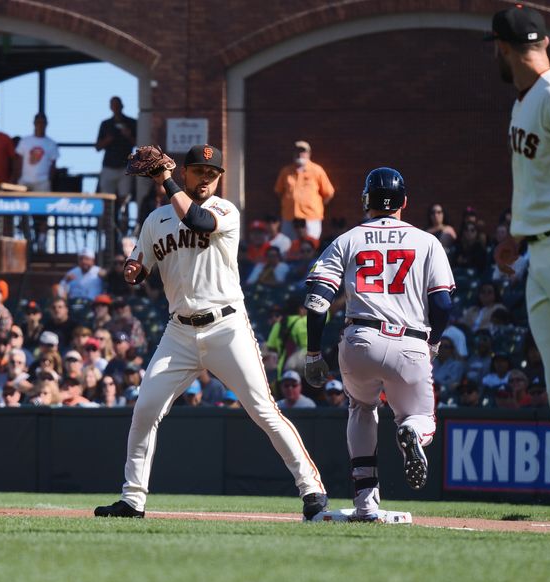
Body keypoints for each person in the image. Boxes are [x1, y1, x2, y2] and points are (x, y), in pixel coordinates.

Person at [94, 144, 327, 520]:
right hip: (178, 332)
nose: (205, 178)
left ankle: (312, 489)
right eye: (198, 170)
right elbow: (139, 264)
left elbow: (197, 222)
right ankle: (133, 499)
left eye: (212, 173)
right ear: (185, 172)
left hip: (226, 326)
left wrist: (166, 181)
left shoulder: (224, 210)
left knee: (264, 410)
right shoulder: (155, 220)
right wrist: (133, 270)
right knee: (145, 408)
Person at [303, 167, 454, 521]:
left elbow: (317, 301)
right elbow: (443, 304)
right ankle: (411, 431)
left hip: (360, 339)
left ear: (366, 201)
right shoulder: (427, 241)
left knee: (361, 408)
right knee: (421, 418)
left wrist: (313, 352)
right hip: (410, 341)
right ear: (404, 202)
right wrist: (434, 342)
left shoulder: (348, 239)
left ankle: (366, 503)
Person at [487, 4, 550, 428]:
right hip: (538, 252)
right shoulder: (525, 101)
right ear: (544, 42)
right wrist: (517, 231)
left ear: (501, 48)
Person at [273, 140, 335, 241]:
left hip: (311, 217)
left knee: (311, 245)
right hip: (289, 217)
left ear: (309, 153)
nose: (300, 154)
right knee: (288, 246)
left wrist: (317, 205)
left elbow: (329, 192)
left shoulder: (317, 170)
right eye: (297, 151)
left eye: (303, 151)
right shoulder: (286, 171)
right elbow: (279, 191)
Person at [95, 96, 136, 203]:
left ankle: (123, 219)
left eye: (117, 105)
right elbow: (98, 147)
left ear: (122, 106)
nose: (116, 107)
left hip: (125, 166)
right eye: (113, 105)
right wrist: (108, 140)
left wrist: (128, 135)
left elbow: (140, 144)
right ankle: (107, 219)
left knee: (125, 198)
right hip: (109, 165)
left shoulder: (131, 123)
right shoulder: (106, 124)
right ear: (110, 107)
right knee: (106, 198)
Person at [15, 113, 58, 191]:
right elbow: (18, 161)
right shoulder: (25, 141)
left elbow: (53, 165)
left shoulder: (51, 143)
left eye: (43, 123)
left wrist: (49, 179)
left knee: (43, 203)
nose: (40, 125)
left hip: (43, 182)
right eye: (38, 122)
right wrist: (17, 177)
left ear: (46, 124)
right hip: (25, 181)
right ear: (34, 123)